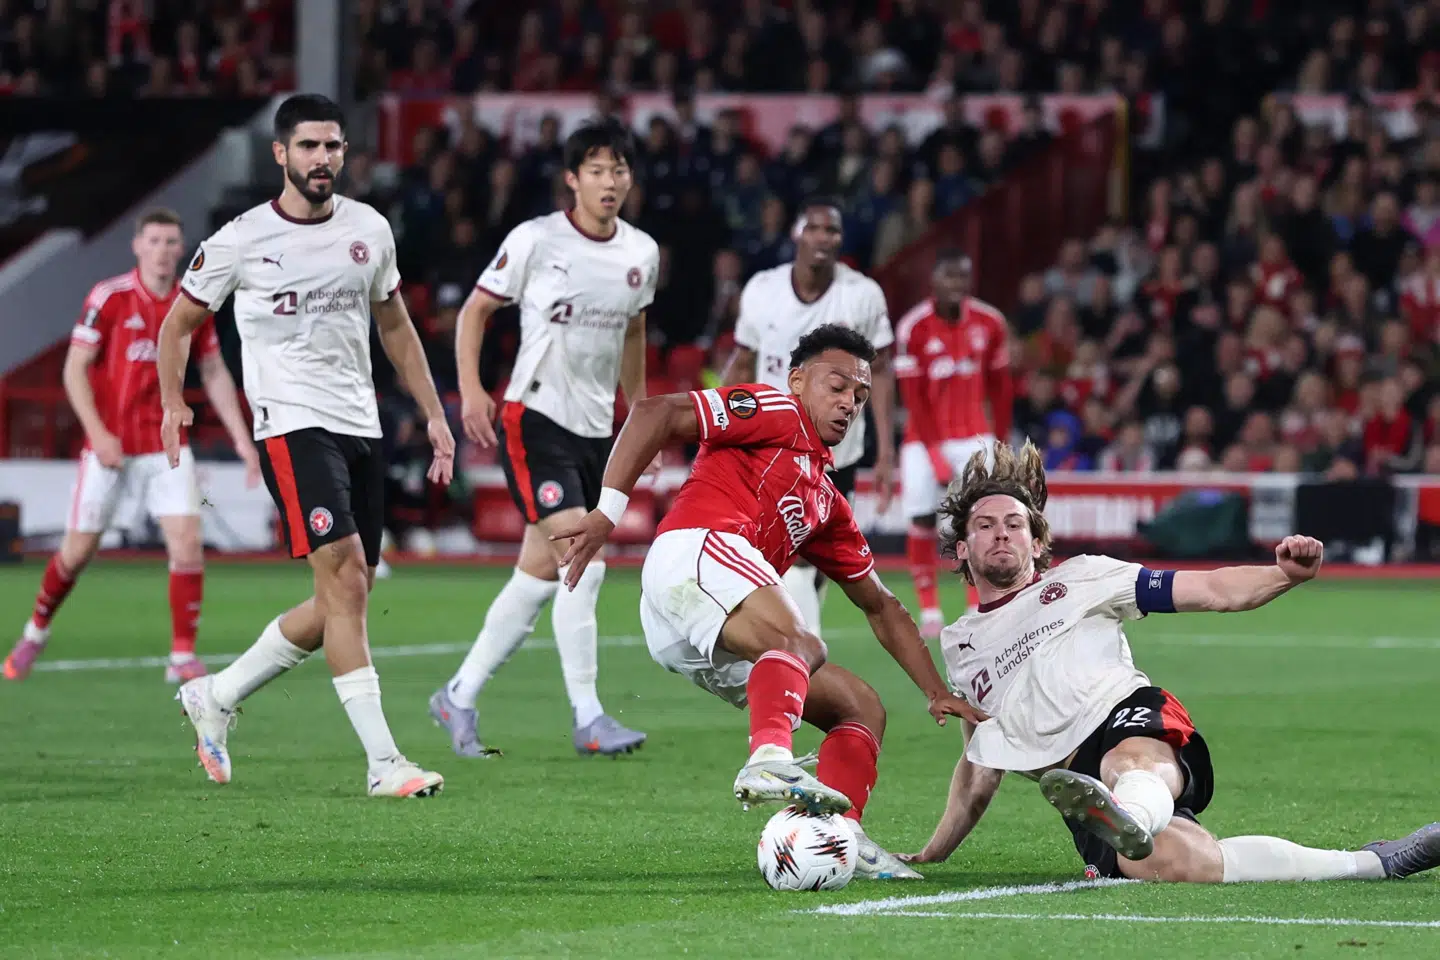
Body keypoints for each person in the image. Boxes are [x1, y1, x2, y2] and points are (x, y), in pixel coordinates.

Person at [551, 324, 986, 880]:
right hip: (695, 551)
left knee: (860, 707)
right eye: (837, 386)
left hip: (701, 622)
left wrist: (934, 690)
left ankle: (843, 838)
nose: (849, 403)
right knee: (800, 641)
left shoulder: (826, 501)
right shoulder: (776, 408)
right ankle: (769, 760)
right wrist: (608, 512)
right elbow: (656, 412)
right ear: (797, 379)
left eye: (859, 395)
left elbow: (881, 606)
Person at [899, 441, 1440, 883]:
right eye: (986, 525)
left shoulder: (1084, 578)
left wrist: (1283, 576)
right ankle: (1376, 862)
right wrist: (932, 853)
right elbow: (978, 763)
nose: (1001, 533)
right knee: (1176, 862)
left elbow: (1209, 588)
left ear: (1038, 542)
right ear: (962, 549)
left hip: (1123, 719)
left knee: (1127, 765)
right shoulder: (960, 646)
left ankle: (1129, 813)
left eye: (1015, 524)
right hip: (1072, 782)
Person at [157, 93, 455, 798]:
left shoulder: (370, 230)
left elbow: (396, 326)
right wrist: (174, 401)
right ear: (280, 155)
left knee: (343, 597)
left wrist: (435, 414)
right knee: (347, 582)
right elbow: (178, 325)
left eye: (333, 147)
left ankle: (217, 693)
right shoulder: (239, 239)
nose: (322, 159)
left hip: (361, 424)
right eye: (309, 147)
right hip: (291, 425)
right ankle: (384, 763)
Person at [429, 117, 657, 759]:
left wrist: (639, 414)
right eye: (597, 170)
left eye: (619, 170)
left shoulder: (641, 253)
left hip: (594, 428)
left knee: (537, 572)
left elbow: (634, 334)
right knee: (582, 562)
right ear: (572, 179)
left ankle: (459, 694)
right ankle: (588, 715)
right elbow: (476, 309)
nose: (609, 182)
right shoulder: (536, 240)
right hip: (534, 417)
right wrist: (471, 391)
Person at [4, 209, 260, 684]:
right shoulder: (110, 297)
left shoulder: (193, 305)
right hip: (111, 447)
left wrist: (244, 442)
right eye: (155, 241)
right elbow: (74, 369)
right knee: (77, 552)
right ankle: (35, 631)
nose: (163, 251)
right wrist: (98, 434)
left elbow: (214, 373)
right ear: (138, 246)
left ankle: (182, 655)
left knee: (187, 544)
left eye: (171, 242)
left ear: (182, 250)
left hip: (166, 446)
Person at [721, 197, 896, 638]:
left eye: (832, 231)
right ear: (796, 234)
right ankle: (803, 666)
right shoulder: (762, 289)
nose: (823, 238)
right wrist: (717, 421)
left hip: (841, 451)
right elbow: (743, 364)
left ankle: (788, 640)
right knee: (794, 553)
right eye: (814, 228)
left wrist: (886, 451)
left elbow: (881, 373)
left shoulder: (863, 295)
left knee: (816, 563)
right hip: (774, 444)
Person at [893, 250, 1012, 638]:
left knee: (979, 520)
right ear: (934, 281)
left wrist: (1002, 441)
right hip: (923, 439)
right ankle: (929, 609)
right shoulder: (913, 328)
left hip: (976, 437)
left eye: (962, 278)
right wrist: (932, 453)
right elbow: (912, 399)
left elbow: (1001, 388)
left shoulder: (990, 323)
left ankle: (977, 604)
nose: (956, 286)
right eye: (949, 278)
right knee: (923, 519)